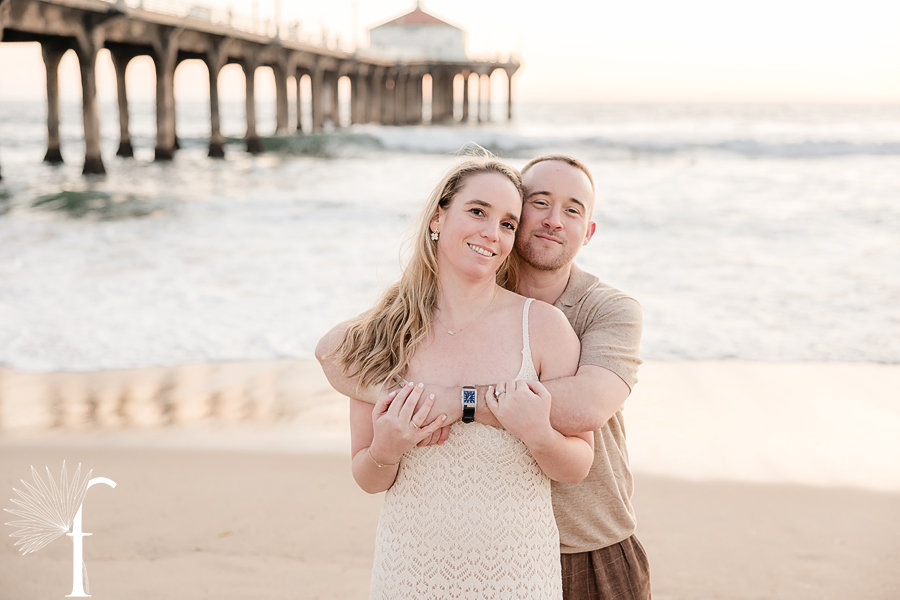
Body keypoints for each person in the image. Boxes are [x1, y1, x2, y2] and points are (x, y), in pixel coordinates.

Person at [318, 153, 649, 600]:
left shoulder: (598, 312)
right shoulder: (451, 289)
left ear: (588, 231)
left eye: (573, 210)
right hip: (427, 557)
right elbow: (336, 352)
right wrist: (400, 407)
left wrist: (458, 402)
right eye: (539, 203)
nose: (553, 220)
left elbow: (587, 406)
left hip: (586, 540)